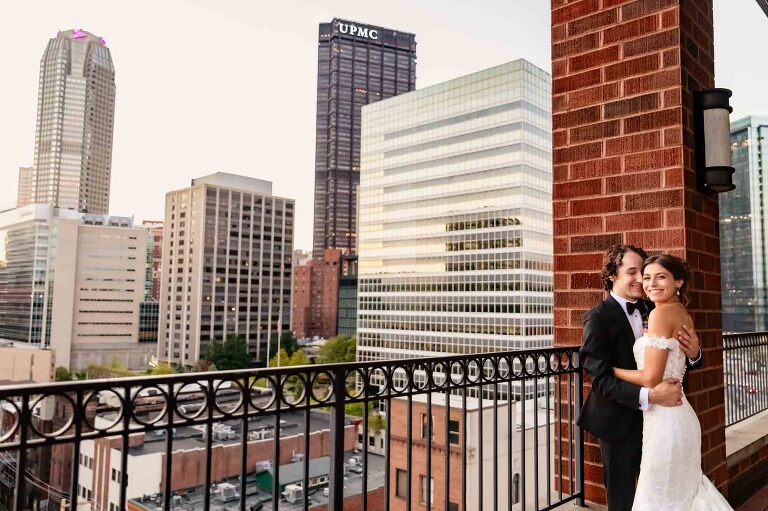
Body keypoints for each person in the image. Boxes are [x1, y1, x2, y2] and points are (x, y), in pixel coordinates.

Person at [578, 245, 703, 511]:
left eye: (644, 272)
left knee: (660, 493)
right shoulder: (597, 318)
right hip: (619, 421)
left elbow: (674, 360)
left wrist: (695, 354)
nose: (642, 280)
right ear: (613, 274)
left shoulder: (655, 305)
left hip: (660, 421)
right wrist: (650, 394)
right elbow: (599, 380)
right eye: (633, 272)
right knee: (623, 499)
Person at [611, 254, 731, 509]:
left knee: (660, 498)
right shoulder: (675, 310)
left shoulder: (659, 314)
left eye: (660, 276)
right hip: (672, 417)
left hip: (666, 422)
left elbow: (651, 377)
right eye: (647, 277)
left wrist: (610, 371)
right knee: (678, 496)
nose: (651, 283)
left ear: (678, 281)